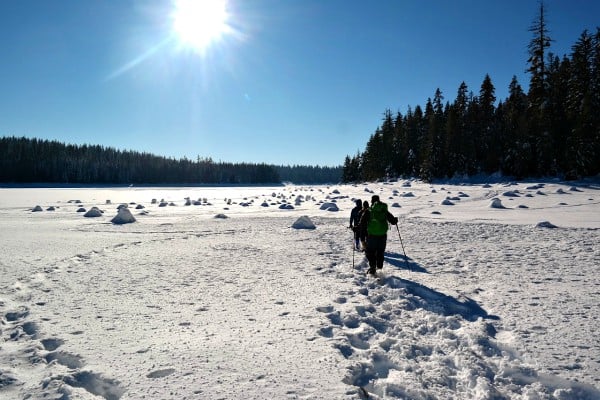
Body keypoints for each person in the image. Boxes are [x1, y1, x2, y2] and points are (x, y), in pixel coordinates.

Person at [359, 195, 398, 275]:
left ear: (372, 201)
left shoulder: (369, 211)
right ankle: (379, 265)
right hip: (383, 235)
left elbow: (362, 223)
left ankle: (373, 266)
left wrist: (356, 228)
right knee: (380, 251)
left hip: (372, 235)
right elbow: (393, 221)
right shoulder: (384, 210)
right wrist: (395, 220)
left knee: (370, 251)